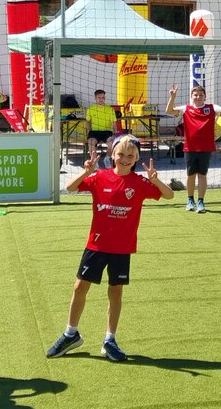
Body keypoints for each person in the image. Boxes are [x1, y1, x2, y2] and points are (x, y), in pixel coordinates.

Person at [47, 137, 173, 362]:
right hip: (96, 244)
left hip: (121, 248)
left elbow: (169, 195)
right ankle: (71, 334)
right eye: (121, 154)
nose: (124, 159)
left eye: (130, 156)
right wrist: (86, 172)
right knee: (79, 287)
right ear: (112, 155)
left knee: (115, 291)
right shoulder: (100, 177)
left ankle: (109, 339)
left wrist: (155, 180)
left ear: (136, 159)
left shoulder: (139, 183)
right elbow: (70, 187)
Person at [164, 83, 221, 213]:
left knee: (202, 175)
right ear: (191, 97)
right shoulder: (186, 108)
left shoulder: (212, 108)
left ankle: (200, 202)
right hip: (190, 148)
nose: (198, 97)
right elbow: (169, 111)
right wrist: (172, 97)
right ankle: (190, 200)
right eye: (195, 95)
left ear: (205, 97)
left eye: (201, 95)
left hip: (206, 147)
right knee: (190, 175)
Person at [86, 89, 118, 165]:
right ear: (95, 98)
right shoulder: (91, 109)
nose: (101, 99)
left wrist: (114, 134)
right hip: (94, 132)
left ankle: (107, 159)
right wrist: (88, 132)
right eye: (99, 97)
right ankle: (94, 162)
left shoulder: (110, 109)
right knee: (90, 142)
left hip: (106, 132)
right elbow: (87, 121)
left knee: (112, 142)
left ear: (105, 98)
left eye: (102, 97)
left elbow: (114, 123)